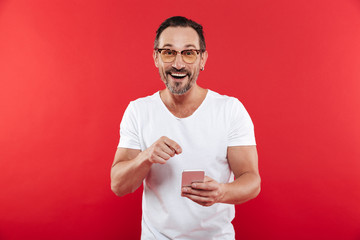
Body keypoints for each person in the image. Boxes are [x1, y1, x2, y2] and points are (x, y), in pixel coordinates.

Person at [111, 16, 261, 240]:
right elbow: (118, 185)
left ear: (202, 59)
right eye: (168, 52)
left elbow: (252, 180)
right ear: (156, 57)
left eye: (189, 53)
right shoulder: (138, 111)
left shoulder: (230, 109)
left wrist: (222, 192)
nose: (178, 64)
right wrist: (146, 157)